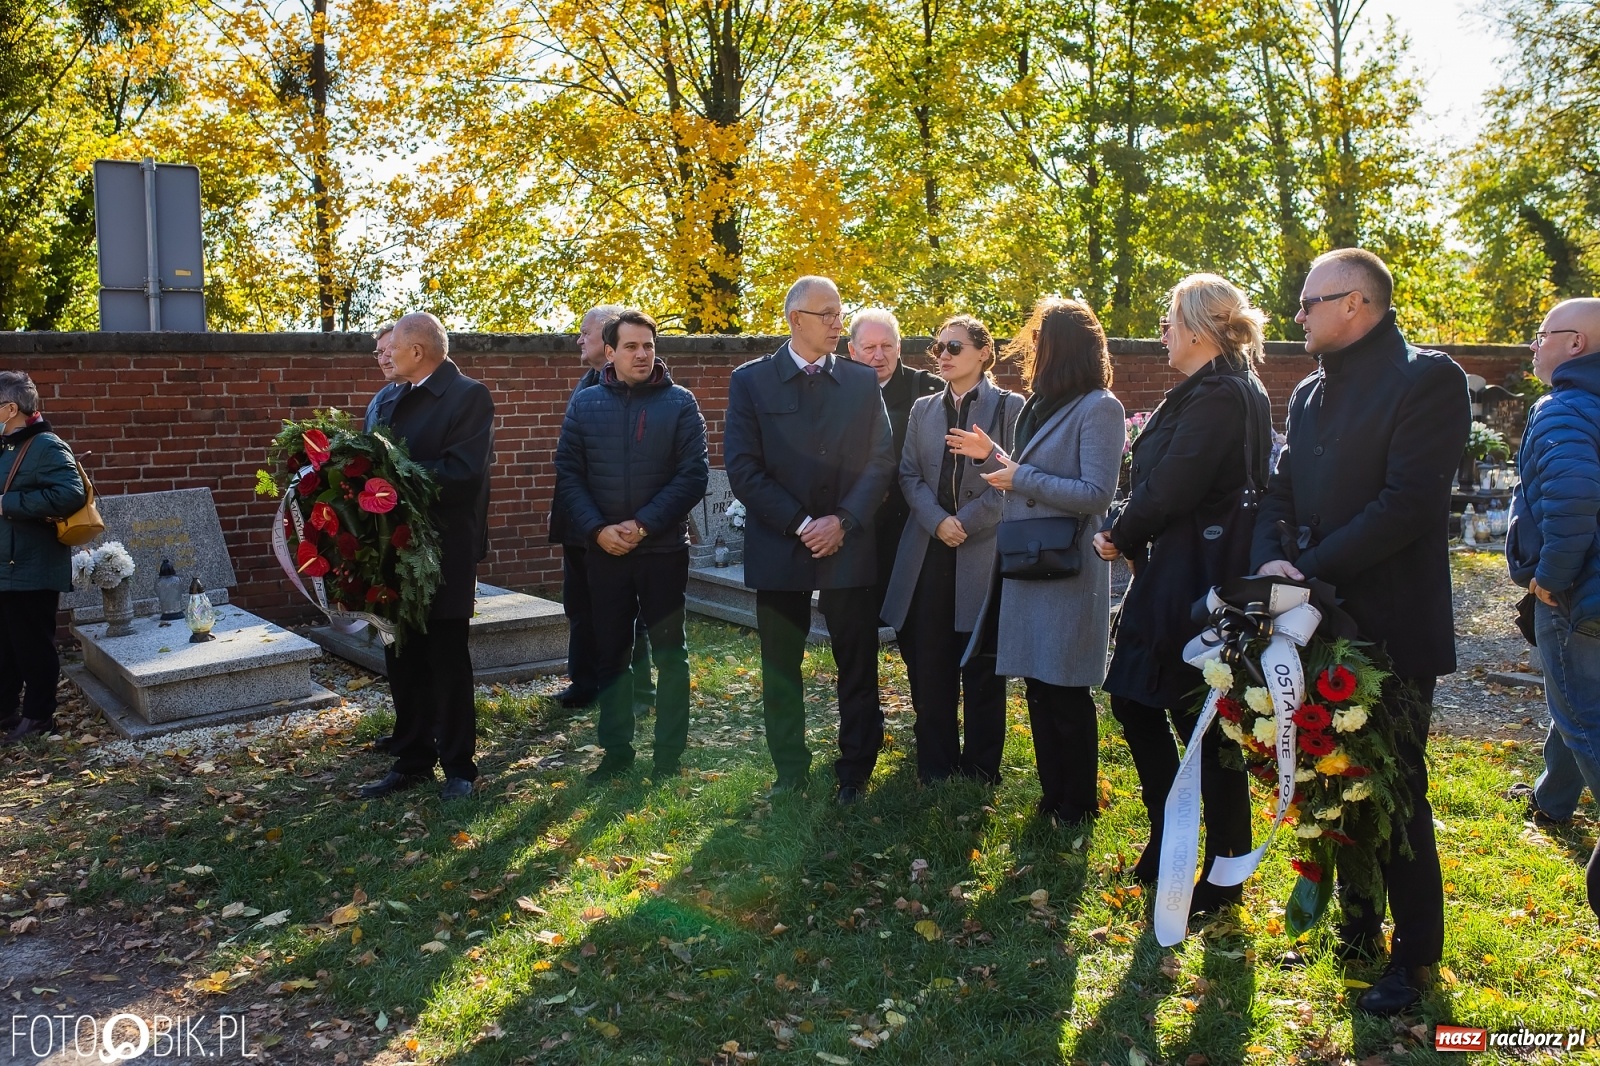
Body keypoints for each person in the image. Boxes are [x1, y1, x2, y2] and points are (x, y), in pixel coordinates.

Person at [1251, 248, 1469, 1014]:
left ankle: (1415, 959)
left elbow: (1408, 504)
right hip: (1311, 617)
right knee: (1331, 779)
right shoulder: (1309, 392)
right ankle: (1354, 933)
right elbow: (1277, 491)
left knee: (1399, 790)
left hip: (1389, 625)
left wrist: (1305, 567)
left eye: (1310, 302)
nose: (1298, 315)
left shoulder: (1426, 379)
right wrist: (1272, 561)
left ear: (1358, 304)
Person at [1092, 274, 1272, 913]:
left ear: (1197, 327)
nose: (1162, 331)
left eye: (1169, 320)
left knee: (1197, 721)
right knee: (1151, 705)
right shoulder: (1216, 387)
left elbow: (1174, 486)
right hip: (1179, 567)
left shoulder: (1222, 394)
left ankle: (1223, 871)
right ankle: (1175, 833)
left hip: (1193, 577)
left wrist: (1120, 529)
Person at [949, 298, 1125, 824]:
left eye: (1038, 342)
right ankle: (1052, 799)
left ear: (1062, 347)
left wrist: (1017, 475)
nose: (1029, 352)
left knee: (1066, 692)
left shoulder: (1100, 406)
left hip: (1067, 566)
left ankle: (1078, 806)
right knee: (1038, 690)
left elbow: (1095, 493)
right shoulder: (1040, 403)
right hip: (1029, 562)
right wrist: (994, 459)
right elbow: (1028, 479)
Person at [724, 275, 895, 804]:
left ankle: (855, 771)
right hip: (781, 546)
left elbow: (881, 460)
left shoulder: (862, 382)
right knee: (780, 664)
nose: (836, 323)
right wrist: (803, 524)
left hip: (849, 544)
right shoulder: (751, 381)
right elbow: (743, 468)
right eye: (827, 314)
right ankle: (789, 770)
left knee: (857, 660)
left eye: (839, 313)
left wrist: (841, 521)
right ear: (795, 319)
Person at [555, 309, 708, 781]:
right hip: (605, 554)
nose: (642, 354)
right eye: (631, 346)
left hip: (662, 551)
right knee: (612, 652)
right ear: (610, 351)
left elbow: (692, 476)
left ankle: (669, 755)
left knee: (670, 653)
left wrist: (641, 526)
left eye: (649, 346)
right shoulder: (585, 404)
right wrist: (598, 531)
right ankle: (616, 752)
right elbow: (569, 474)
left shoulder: (680, 403)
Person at [356, 312, 496, 801]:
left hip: (443, 548)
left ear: (417, 350)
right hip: (394, 548)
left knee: (446, 657)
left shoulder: (468, 396)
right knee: (402, 653)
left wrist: (388, 482)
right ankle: (413, 758)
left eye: (392, 347)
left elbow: (461, 473)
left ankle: (460, 766)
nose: (385, 355)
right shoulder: (392, 398)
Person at [881, 315, 1022, 785]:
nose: (942, 354)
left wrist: (967, 522)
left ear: (984, 353)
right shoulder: (923, 408)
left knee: (981, 663)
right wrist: (938, 521)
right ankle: (935, 766)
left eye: (954, 347)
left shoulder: (1009, 407)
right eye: (938, 346)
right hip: (929, 550)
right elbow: (908, 475)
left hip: (983, 551)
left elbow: (1016, 479)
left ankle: (982, 770)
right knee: (931, 661)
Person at [1507, 296, 1600, 923]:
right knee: (1575, 704)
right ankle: (1554, 799)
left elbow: (1572, 501)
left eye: (1542, 335)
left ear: (1576, 345)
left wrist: (1548, 579)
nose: (1533, 346)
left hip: (1577, 594)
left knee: (1581, 714)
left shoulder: (1564, 407)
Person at [550, 305, 656, 713]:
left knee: (630, 613)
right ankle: (585, 681)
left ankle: (639, 693)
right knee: (579, 605)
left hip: (619, 524)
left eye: (585, 333)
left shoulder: (643, 390)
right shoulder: (586, 385)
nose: (579, 340)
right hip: (580, 522)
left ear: (609, 343)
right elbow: (571, 459)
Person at [0, 371, 86, 745]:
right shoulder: (6, 446)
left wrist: (8, 504)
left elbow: (72, 494)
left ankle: (38, 718)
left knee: (33, 646)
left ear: (10, 408)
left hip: (32, 567)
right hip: (6, 566)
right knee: (4, 646)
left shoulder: (46, 445)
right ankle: (5, 712)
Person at [847, 308, 942, 621]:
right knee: (855, 628)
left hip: (910, 529)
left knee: (916, 629)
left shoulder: (930, 391)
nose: (879, 355)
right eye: (869, 347)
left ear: (899, 347)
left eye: (887, 346)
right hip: (855, 530)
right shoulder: (835, 392)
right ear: (852, 350)